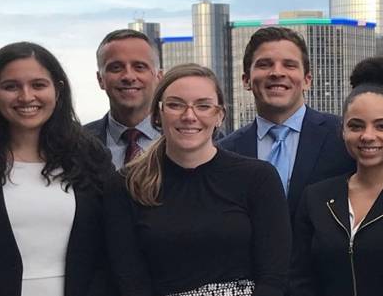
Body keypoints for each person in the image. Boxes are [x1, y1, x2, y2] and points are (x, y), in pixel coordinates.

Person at [0, 42, 115, 296]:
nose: (26, 97)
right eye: (11, 86)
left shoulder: (91, 157)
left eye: (38, 85)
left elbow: (111, 250)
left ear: (57, 91)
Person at [105, 64, 290, 296]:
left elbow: (273, 277)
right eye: (175, 105)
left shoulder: (258, 178)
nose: (189, 116)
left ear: (219, 115)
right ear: (158, 115)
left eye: (203, 106)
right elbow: (130, 282)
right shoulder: (125, 186)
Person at [289, 58, 383, 296]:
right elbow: (300, 278)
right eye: (356, 126)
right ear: (343, 129)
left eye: (382, 126)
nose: (368, 136)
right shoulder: (316, 197)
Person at [218, 27, 353, 211]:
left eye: (289, 65)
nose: (277, 73)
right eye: (264, 64)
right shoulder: (225, 152)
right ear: (246, 80)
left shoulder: (343, 137)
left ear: (307, 80)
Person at [84, 29, 163, 169]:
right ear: (100, 79)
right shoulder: (76, 144)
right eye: (116, 68)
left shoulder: (185, 137)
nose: (128, 77)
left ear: (159, 77)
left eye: (139, 67)